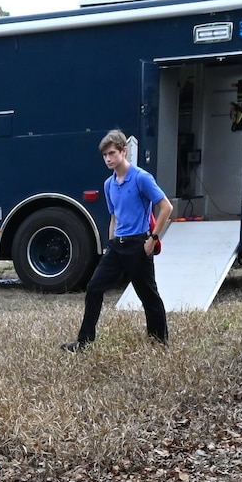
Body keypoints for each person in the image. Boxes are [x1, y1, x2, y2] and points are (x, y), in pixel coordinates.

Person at [65, 130, 169, 351]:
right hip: (117, 246)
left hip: (138, 245)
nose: (108, 159)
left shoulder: (141, 178)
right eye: (104, 155)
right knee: (94, 288)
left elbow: (166, 207)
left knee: (148, 295)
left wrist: (152, 239)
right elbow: (114, 217)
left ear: (124, 151)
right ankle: (84, 342)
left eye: (112, 153)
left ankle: (159, 341)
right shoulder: (108, 184)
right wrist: (110, 244)